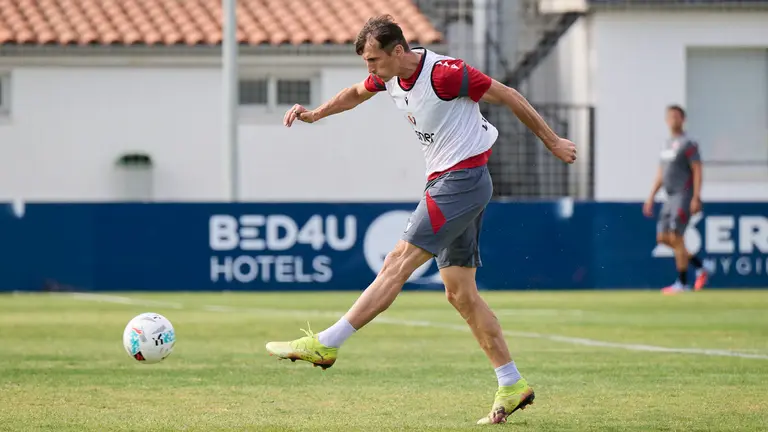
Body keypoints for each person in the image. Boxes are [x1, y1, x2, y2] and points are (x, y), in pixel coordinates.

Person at [266, 15, 577, 425]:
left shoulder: (447, 74)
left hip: (461, 180)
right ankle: (512, 383)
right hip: (453, 181)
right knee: (460, 293)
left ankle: (327, 343)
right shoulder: (388, 76)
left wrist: (552, 141)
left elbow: (510, 95)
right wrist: (315, 114)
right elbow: (355, 94)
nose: (370, 69)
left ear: (398, 51)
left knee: (396, 262)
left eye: (374, 59)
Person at [643, 105, 713, 294]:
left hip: (683, 195)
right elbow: (661, 173)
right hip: (669, 196)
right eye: (670, 116)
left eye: (677, 116)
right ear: (666, 120)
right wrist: (651, 197)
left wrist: (696, 197)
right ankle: (700, 266)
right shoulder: (666, 144)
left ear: (683, 119)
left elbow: (697, 169)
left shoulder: (688, 143)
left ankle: (682, 283)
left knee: (676, 236)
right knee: (663, 238)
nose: (673, 119)